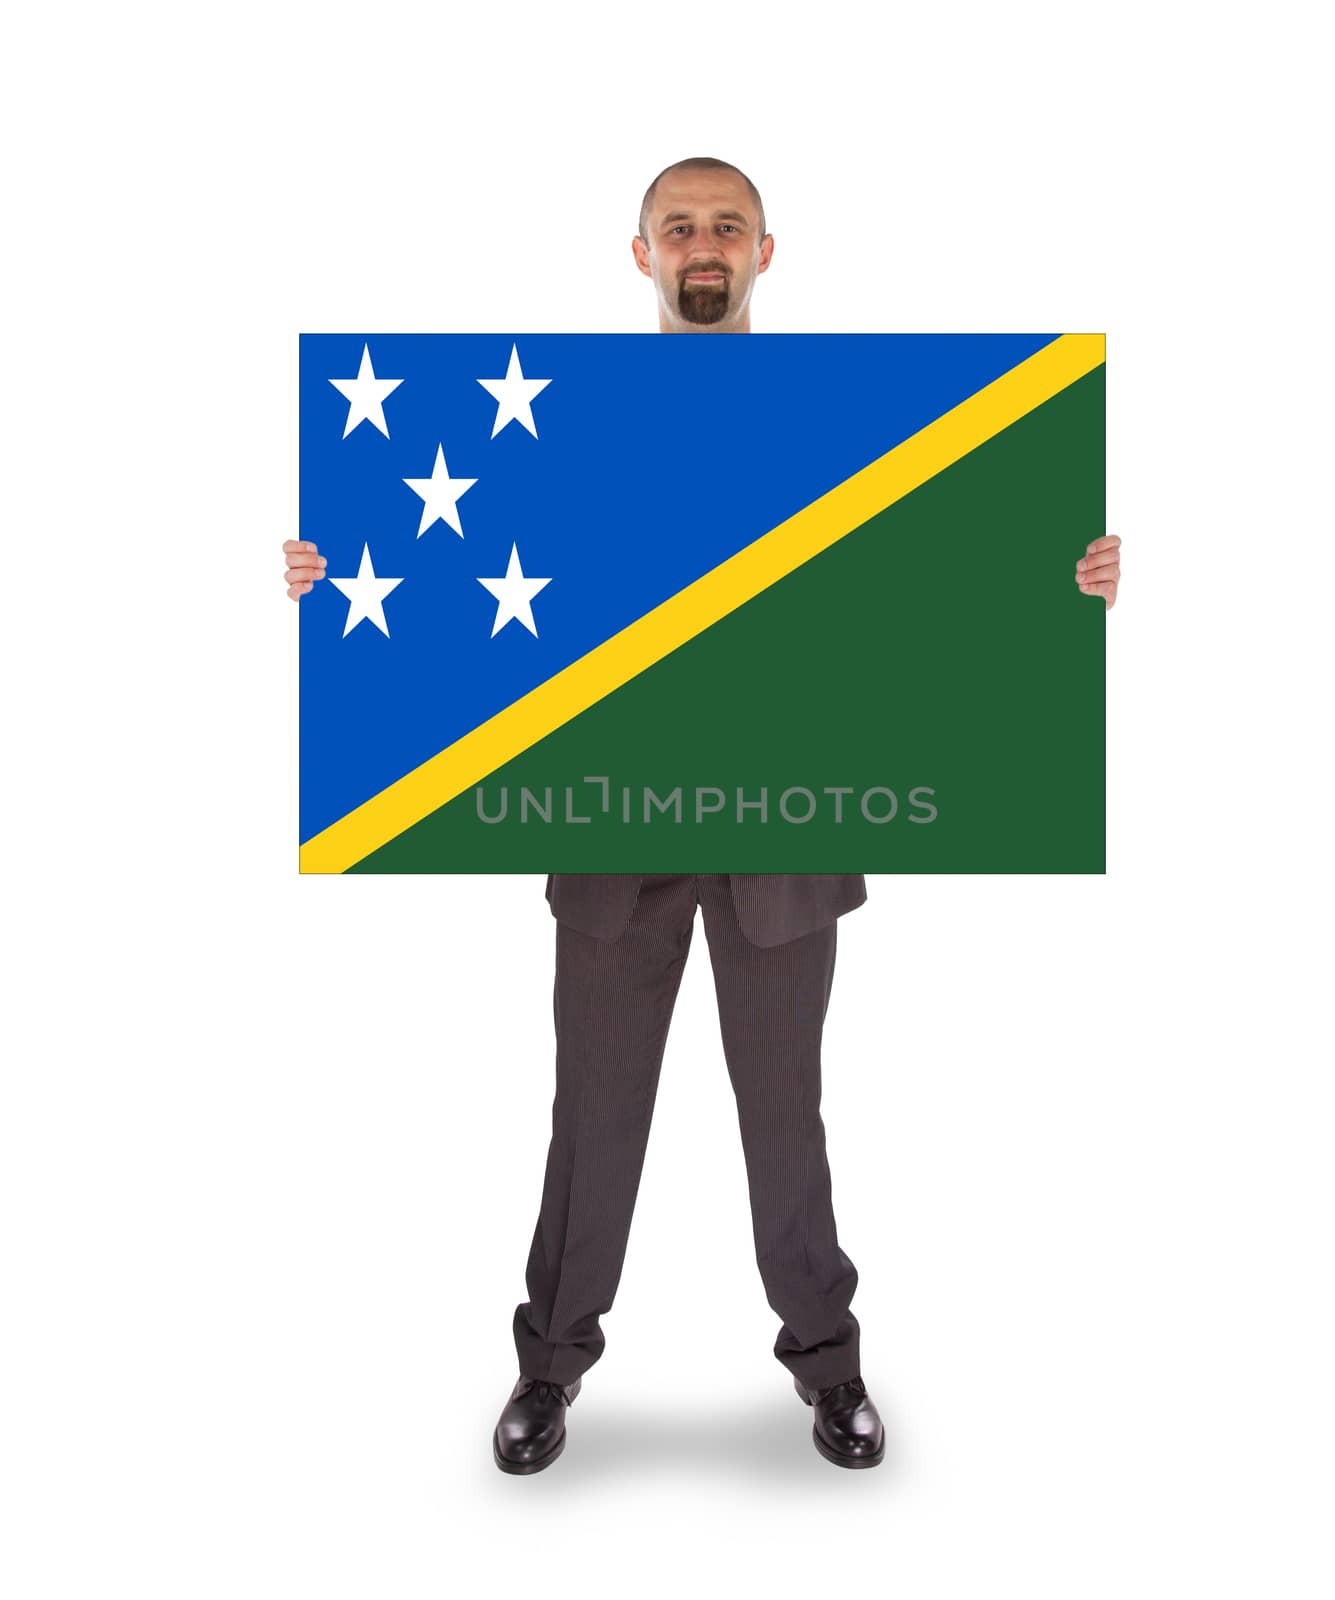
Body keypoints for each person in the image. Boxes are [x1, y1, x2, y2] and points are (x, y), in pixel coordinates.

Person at [282, 156, 1123, 1477]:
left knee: (785, 1117)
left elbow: (928, 584)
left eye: (724, 224)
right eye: (679, 227)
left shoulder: (842, 418)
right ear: (642, 257)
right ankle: (548, 1366)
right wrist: (333, 577)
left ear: (764, 251)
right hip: (615, 831)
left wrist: (1057, 578)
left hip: (781, 836)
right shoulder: (560, 421)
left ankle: (826, 1364)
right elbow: (470, 583)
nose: (702, 243)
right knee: (593, 1115)